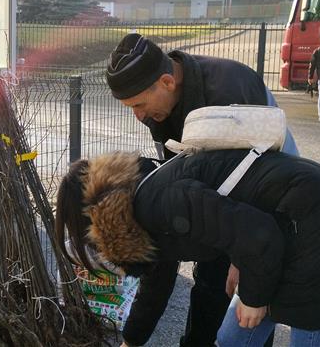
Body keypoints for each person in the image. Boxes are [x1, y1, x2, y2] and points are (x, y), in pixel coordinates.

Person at [54, 151, 320, 347]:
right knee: (232, 339)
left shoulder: (160, 203)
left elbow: (259, 235)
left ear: (92, 220)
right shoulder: (140, 200)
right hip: (282, 237)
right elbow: (234, 212)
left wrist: (254, 296)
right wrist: (238, 255)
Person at [105, 33, 298, 346]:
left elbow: (262, 185)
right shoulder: (160, 110)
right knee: (209, 282)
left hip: (270, 202)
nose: (137, 116)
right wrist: (133, 339)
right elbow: (174, 204)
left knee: (247, 306)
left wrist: (244, 259)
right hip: (220, 197)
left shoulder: (230, 90)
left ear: (167, 82)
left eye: (138, 105)